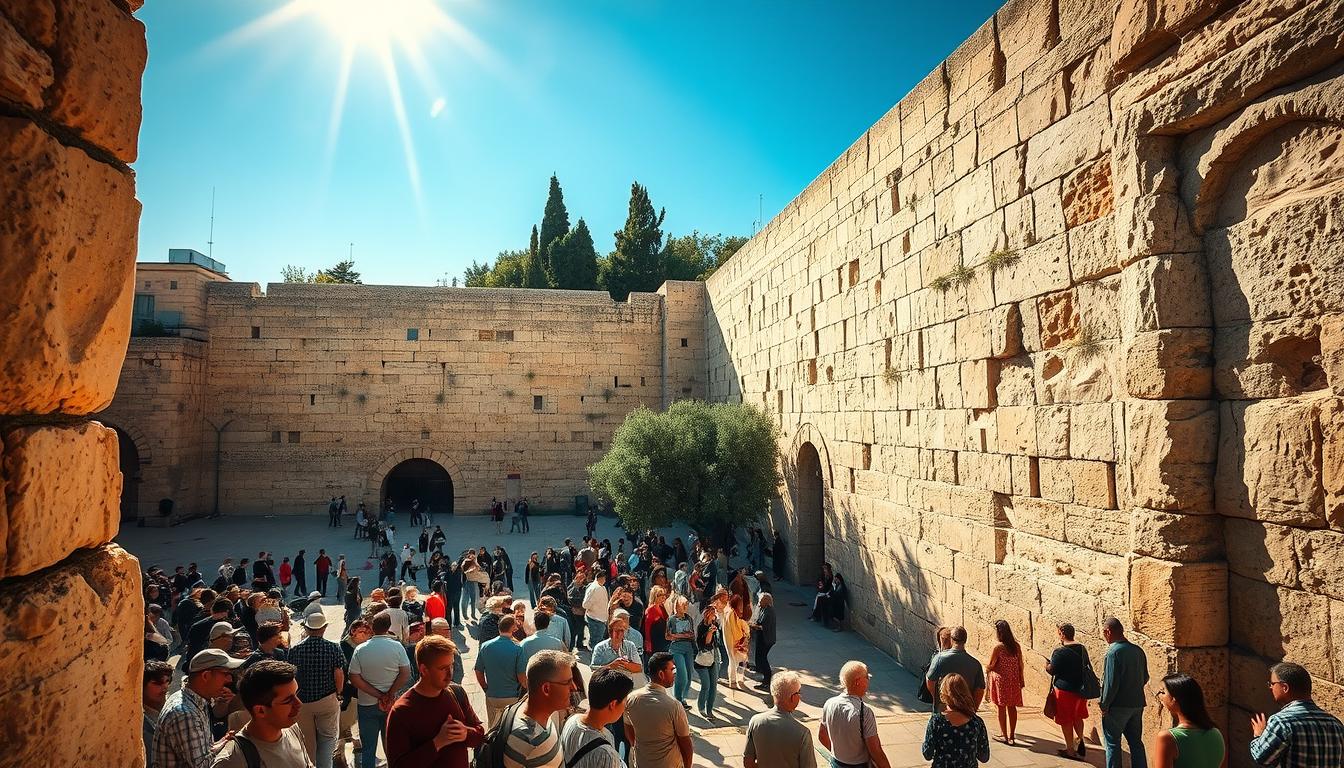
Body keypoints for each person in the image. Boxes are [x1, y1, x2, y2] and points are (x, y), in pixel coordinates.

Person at [385, 634, 485, 767]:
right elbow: (397, 764)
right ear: (424, 670)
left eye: (451, 666)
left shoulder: (456, 692)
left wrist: (466, 733)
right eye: (443, 668)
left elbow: (479, 735)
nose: (450, 674)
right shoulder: (402, 711)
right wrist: (437, 743)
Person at [153, 649, 244, 768]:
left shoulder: (197, 701)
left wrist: (224, 741)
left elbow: (206, 752)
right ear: (206, 676)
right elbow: (203, 765)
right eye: (225, 674)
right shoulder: (185, 714)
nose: (229, 680)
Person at [211, 661, 310, 767]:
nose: (299, 704)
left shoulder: (292, 729)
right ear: (260, 711)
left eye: (296, 694)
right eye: (288, 700)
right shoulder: (232, 761)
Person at [1250, 661, 1344, 768]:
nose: (1271, 688)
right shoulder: (1336, 724)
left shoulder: (1281, 721)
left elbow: (1261, 758)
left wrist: (1259, 735)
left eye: (1272, 684)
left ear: (1285, 687)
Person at [348, 611, 411, 768]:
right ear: (388, 627)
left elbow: (354, 677)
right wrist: (389, 694)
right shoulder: (397, 647)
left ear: (371, 628)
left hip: (366, 704)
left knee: (368, 749)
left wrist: (378, 695)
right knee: (392, 747)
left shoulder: (361, 649)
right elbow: (405, 674)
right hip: (391, 704)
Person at [499, 649, 575, 768]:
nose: (574, 687)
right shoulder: (529, 742)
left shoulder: (531, 707)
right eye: (568, 682)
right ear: (546, 689)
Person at [288, 613, 345, 768]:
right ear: (324, 627)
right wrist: (339, 693)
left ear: (306, 628)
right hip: (326, 698)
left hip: (302, 701)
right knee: (327, 738)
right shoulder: (333, 647)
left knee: (307, 741)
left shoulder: (295, 649)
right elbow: (338, 672)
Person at [623, 652, 693, 768]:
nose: (675, 674)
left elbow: (629, 730)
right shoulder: (674, 706)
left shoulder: (631, 699)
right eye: (672, 670)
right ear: (661, 674)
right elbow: (685, 743)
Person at [819, 661, 893, 768]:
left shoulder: (829, 703)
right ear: (858, 681)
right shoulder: (864, 712)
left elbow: (822, 735)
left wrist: (839, 755)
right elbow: (876, 751)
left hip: (836, 763)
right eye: (867, 677)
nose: (868, 680)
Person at [1101, 617, 1149, 768]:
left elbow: (1110, 683)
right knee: (1136, 743)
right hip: (1136, 704)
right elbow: (1145, 677)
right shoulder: (1138, 650)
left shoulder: (1113, 653)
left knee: (1112, 743)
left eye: (1104, 632)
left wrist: (1104, 704)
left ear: (1108, 631)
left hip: (1117, 707)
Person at [561, 668, 632, 768]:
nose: (625, 707)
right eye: (625, 702)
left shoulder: (572, 720)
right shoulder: (606, 755)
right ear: (613, 704)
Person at [743, 671, 816, 768]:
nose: (800, 696)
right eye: (799, 692)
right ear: (793, 698)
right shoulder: (802, 733)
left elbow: (748, 761)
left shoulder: (755, 721)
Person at [1152, 673, 1225, 768]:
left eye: (1162, 692)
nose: (1159, 696)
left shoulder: (1167, 738)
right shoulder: (1216, 733)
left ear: (1174, 699)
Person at [921, 673, 990, 768]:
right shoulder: (976, 722)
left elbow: (927, 754)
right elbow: (984, 757)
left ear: (944, 695)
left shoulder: (936, 721)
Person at [1047, 623, 1093, 760]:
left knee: (1066, 720)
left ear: (1062, 633)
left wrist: (1046, 665)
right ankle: (1080, 741)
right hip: (1081, 690)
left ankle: (1070, 750)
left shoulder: (1059, 652)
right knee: (1077, 717)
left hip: (1065, 691)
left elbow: (1052, 670)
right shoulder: (1082, 649)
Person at [476, 614, 527, 727]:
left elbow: (478, 671)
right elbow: (521, 676)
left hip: (492, 695)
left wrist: (485, 687)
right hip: (512, 696)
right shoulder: (517, 648)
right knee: (510, 728)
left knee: (492, 727)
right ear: (513, 628)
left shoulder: (485, 646)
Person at [926, 626, 986, 711]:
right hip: (965, 711)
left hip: (944, 709)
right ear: (965, 640)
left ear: (951, 639)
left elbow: (930, 681)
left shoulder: (939, 658)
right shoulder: (975, 664)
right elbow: (980, 690)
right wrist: (974, 709)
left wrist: (937, 698)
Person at [986, 619, 1025, 745]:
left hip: (1001, 682)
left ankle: (1004, 735)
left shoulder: (998, 648)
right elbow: (1020, 664)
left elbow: (991, 665)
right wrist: (1021, 679)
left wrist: (987, 669)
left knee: (1001, 708)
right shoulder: (1016, 646)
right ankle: (1012, 735)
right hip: (1014, 680)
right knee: (1012, 707)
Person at [664, 595, 696, 707]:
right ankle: (677, 698)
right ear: (677, 606)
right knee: (682, 674)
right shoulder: (671, 619)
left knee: (689, 673)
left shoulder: (689, 618)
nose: (685, 607)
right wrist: (680, 635)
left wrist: (680, 635)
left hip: (688, 648)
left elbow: (691, 634)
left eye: (686, 605)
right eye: (683, 605)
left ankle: (683, 697)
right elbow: (667, 636)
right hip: (676, 648)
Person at [693, 604, 720, 721]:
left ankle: (710, 710)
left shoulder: (715, 625)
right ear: (707, 614)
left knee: (713, 686)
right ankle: (701, 706)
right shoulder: (701, 627)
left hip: (713, 657)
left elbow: (717, 643)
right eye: (712, 613)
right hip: (702, 660)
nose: (714, 616)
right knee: (706, 685)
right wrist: (709, 633)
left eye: (715, 614)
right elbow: (704, 645)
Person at [145, 660, 175, 767]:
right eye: (158, 683)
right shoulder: (140, 720)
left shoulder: (171, 709)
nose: (165, 687)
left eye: (167, 681)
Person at [750, 593, 777, 691]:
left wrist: (754, 626)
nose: (759, 602)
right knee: (760, 657)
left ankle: (767, 681)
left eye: (761, 601)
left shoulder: (770, 612)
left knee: (763, 658)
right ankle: (764, 676)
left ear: (766, 601)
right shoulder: (762, 609)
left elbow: (764, 626)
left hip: (767, 639)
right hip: (761, 637)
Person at [583, 569, 610, 646]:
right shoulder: (595, 588)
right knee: (596, 641)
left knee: (597, 640)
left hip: (599, 618)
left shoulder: (600, 587)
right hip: (596, 618)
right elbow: (586, 604)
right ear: (601, 578)